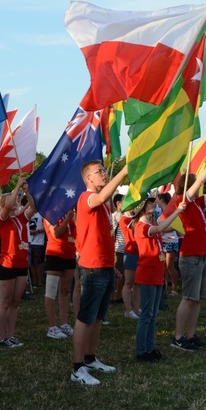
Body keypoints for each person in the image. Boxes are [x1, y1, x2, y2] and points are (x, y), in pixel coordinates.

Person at [70, 161, 128, 386]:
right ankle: (77, 368)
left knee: (97, 317)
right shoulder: (87, 198)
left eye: (104, 171)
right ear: (88, 179)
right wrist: (123, 172)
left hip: (104, 265)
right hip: (92, 267)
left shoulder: (102, 206)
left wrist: (110, 264)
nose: (103, 173)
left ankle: (90, 359)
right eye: (99, 172)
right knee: (85, 317)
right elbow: (102, 197)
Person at [168, 151, 206, 352]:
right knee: (188, 297)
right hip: (190, 255)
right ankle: (178, 336)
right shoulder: (185, 201)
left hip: (201, 254)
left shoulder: (198, 203)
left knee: (197, 298)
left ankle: (191, 334)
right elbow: (199, 181)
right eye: (194, 184)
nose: (199, 187)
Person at [134, 197, 185, 363]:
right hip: (148, 274)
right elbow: (162, 227)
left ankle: (150, 347)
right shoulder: (141, 226)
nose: (153, 205)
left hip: (156, 274)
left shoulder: (150, 225)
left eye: (153, 203)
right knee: (146, 315)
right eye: (150, 203)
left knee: (153, 315)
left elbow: (163, 228)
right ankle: (142, 351)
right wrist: (176, 211)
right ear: (141, 207)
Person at [0, 178, 36, 347]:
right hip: (7, 264)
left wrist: (26, 191)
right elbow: (7, 206)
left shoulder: (21, 219)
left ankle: (11, 335)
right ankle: (1, 338)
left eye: (18, 201)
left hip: (21, 264)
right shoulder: (2, 219)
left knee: (15, 302)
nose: (17, 202)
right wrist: (17, 186)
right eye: (14, 201)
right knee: (5, 302)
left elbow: (33, 206)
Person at [44, 209, 77, 339]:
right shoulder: (49, 213)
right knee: (51, 291)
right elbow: (56, 233)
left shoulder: (67, 211)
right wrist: (68, 219)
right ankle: (51, 326)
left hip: (69, 253)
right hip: (55, 253)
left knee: (65, 290)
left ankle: (63, 323)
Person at [157, 192, 181, 294]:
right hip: (162, 241)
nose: (156, 201)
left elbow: (174, 226)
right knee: (163, 266)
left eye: (157, 199)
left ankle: (175, 288)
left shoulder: (170, 211)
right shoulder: (161, 212)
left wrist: (161, 230)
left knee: (169, 266)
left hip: (170, 241)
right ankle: (165, 287)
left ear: (161, 200)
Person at [119, 206, 140, 319]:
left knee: (138, 283)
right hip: (131, 252)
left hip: (140, 251)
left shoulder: (135, 217)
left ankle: (136, 308)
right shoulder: (124, 219)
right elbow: (133, 227)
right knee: (129, 282)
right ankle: (128, 310)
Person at [29, 211, 46, 288]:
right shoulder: (28, 214)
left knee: (38, 262)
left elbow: (46, 227)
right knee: (31, 262)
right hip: (30, 241)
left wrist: (38, 231)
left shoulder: (41, 214)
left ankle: (40, 281)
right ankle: (34, 280)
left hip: (39, 242)